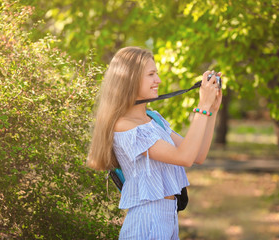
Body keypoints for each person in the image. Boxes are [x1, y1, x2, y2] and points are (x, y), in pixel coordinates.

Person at [87, 46, 222, 239]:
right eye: (151, 74)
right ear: (130, 80)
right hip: (146, 222)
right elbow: (184, 157)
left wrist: (212, 110)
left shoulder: (153, 118)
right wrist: (202, 105)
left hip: (168, 217)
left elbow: (197, 155)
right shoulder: (125, 127)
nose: (158, 80)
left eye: (156, 73)